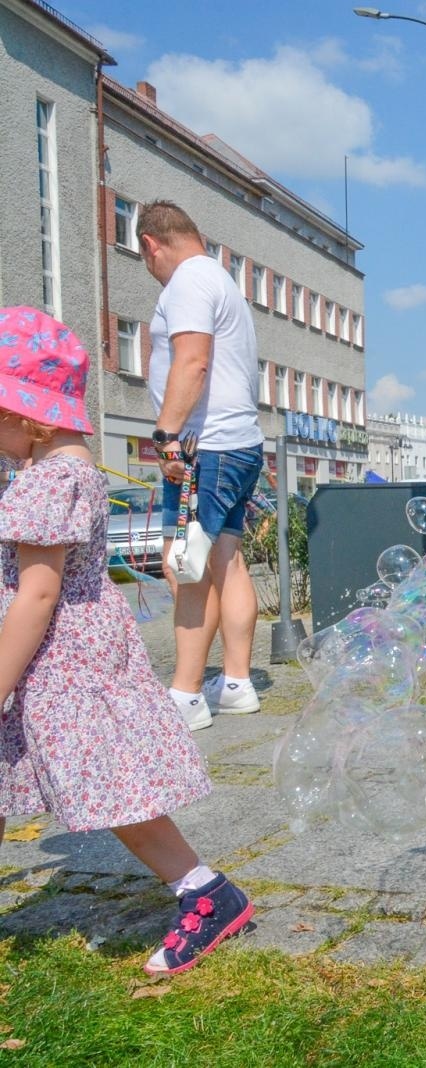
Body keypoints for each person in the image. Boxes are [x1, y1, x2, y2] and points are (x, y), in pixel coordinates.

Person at [0, 307, 253, 975]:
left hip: (58, 660)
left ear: (34, 419)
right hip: (78, 649)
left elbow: (37, 594)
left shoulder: (45, 480)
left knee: (113, 787)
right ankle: (205, 890)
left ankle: (205, 891)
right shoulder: (78, 469)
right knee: (74, 782)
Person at [136, 201, 265, 730]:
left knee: (184, 567)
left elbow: (193, 359)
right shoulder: (221, 280)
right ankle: (236, 684)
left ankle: (186, 696)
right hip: (239, 444)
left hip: (205, 448)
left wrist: (166, 434)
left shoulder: (187, 281)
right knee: (225, 563)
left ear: (151, 245)